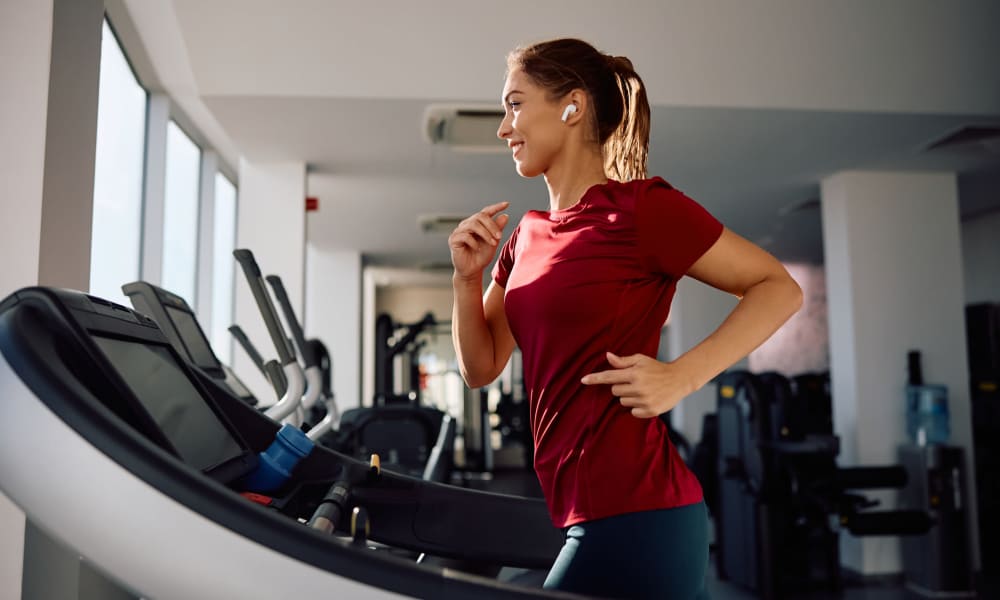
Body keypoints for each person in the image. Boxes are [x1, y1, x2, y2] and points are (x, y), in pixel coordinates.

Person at [448, 38, 802, 599]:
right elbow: (480, 368)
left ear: (572, 105)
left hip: (639, 511)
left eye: (514, 104)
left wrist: (680, 377)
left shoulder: (642, 211)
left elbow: (778, 288)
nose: (503, 127)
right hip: (577, 510)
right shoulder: (526, 237)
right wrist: (467, 281)